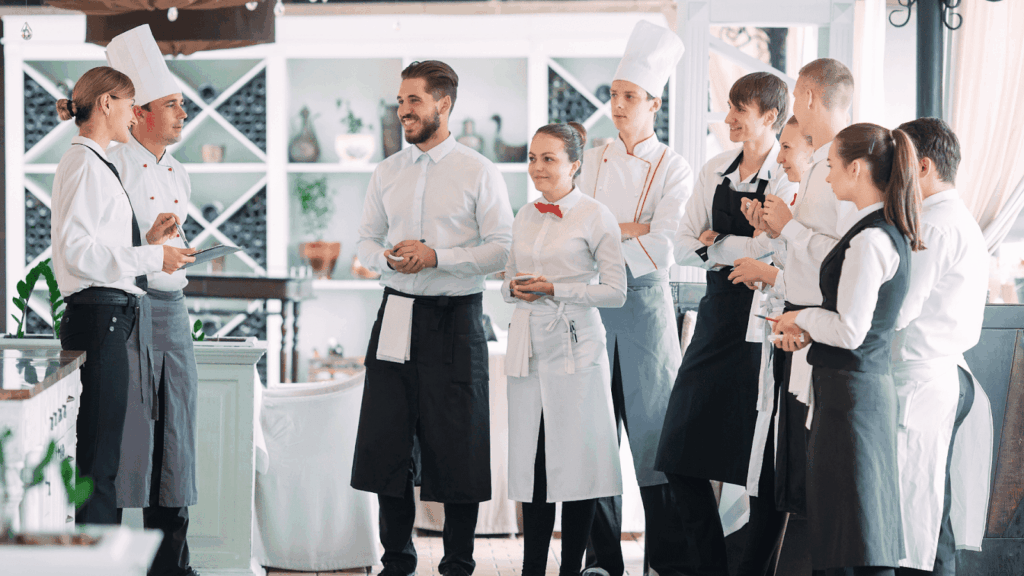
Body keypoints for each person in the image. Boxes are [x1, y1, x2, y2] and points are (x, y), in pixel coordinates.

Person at [351, 60, 514, 576]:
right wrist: (387, 259)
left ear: (443, 104)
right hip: (395, 311)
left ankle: (459, 563)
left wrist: (437, 256)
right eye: (400, 102)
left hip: (457, 318)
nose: (403, 111)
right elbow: (364, 240)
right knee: (387, 441)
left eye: (413, 101)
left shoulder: (478, 170)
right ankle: (396, 562)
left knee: (459, 441)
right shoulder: (387, 171)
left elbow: (502, 250)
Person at [654, 71, 796, 576]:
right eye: (730, 107)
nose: (730, 117)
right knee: (678, 455)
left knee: (759, 470)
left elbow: (778, 249)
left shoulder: (788, 173)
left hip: (765, 328)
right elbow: (680, 237)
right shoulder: (716, 168)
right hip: (716, 321)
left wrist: (717, 245)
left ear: (770, 117)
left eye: (740, 109)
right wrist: (732, 247)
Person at [774, 123, 924, 576]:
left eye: (832, 166)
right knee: (852, 532)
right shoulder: (881, 232)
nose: (825, 176)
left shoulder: (869, 240)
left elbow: (852, 331)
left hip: (852, 401)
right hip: (855, 394)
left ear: (856, 169)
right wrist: (809, 331)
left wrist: (798, 318)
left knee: (854, 538)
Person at [50, 66, 195, 526]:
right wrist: (153, 259)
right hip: (100, 317)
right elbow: (77, 253)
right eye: (132, 104)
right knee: (99, 460)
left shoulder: (95, 162)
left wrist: (148, 243)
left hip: (109, 315)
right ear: (108, 103)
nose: (135, 115)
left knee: (105, 457)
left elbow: (98, 245)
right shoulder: (85, 163)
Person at [573, 21, 689, 576]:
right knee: (595, 436)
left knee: (653, 440)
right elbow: (574, 232)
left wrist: (608, 236)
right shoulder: (589, 159)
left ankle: (663, 561)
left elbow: (665, 246)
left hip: (644, 314)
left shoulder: (675, 167)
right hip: (592, 313)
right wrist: (630, 228)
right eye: (614, 95)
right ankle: (602, 562)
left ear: (654, 103)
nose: (617, 106)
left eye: (629, 97)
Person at [732, 59, 855, 527]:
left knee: (815, 478)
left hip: (822, 328)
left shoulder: (841, 163)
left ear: (806, 96)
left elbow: (847, 255)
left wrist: (790, 231)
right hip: (799, 324)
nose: (783, 155)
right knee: (797, 470)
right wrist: (776, 231)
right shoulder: (825, 161)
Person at [503, 121, 626, 576]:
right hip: (528, 350)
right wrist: (515, 290)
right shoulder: (523, 214)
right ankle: (532, 569)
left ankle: (570, 569)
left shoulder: (596, 215)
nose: (537, 167)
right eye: (532, 158)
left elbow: (616, 291)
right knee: (532, 463)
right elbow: (506, 281)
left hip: (577, 349)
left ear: (575, 164)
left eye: (548, 158)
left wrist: (558, 288)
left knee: (578, 466)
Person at [105, 25, 202, 576]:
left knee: (177, 438)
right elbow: (104, 252)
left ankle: (172, 564)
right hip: (128, 311)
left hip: (172, 313)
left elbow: (163, 246)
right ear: (138, 112)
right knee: (129, 440)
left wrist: (176, 248)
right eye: (173, 105)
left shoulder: (178, 172)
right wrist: (148, 247)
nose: (183, 114)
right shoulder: (112, 166)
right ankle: (117, 563)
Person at [891, 118, 993, 576]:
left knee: (917, 518)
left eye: (898, 164)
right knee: (930, 513)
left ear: (924, 166)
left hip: (923, 381)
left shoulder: (932, 225)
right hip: (945, 375)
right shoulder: (958, 217)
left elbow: (897, 312)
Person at [726, 113, 818, 576]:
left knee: (787, 478)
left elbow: (820, 280)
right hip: (778, 343)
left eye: (787, 148)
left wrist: (767, 271)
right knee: (768, 470)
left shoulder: (817, 205)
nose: (779, 157)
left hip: (804, 350)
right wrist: (764, 235)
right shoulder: (797, 200)